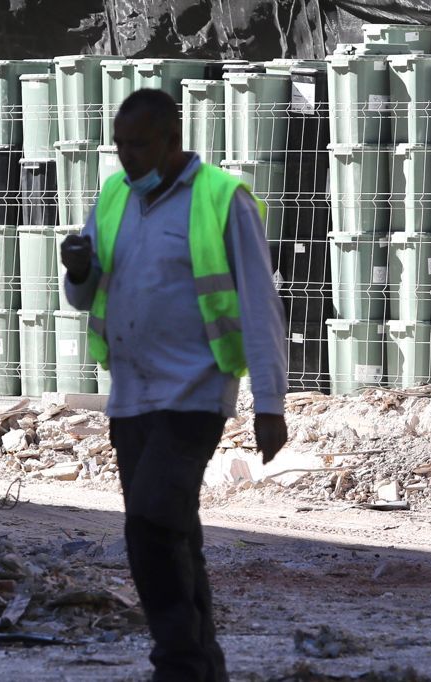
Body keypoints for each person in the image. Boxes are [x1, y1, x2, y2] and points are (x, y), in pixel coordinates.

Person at [60, 88, 289, 682]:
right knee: (174, 532)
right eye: (120, 145)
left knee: (150, 524)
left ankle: (178, 664)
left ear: (171, 139)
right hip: (131, 395)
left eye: (138, 144)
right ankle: (203, 665)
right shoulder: (115, 196)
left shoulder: (221, 199)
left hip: (195, 391)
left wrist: (270, 403)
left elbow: (261, 306)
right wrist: (78, 270)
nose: (126, 156)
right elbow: (87, 291)